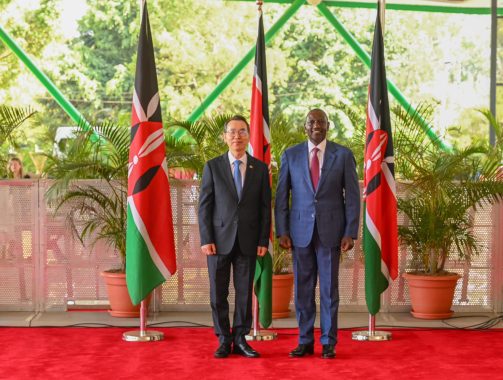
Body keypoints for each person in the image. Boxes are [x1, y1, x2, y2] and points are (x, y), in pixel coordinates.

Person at [275, 108, 360, 359]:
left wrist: (350, 232)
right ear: (305, 126)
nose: (316, 126)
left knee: (329, 291)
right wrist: (282, 230)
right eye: (311, 122)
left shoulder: (343, 155)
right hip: (299, 233)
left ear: (328, 125)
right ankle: (304, 341)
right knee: (303, 290)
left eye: (321, 122)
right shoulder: (290, 155)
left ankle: (328, 342)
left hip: (332, 233)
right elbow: (282, 197)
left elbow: (352, 198)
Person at [198, 115, 271, 359]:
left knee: (243, 293)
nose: (237, 136)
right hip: (217, 241)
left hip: (249, 241)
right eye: (232, 132)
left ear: (249, 135)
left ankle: (240, 338)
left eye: (242, 132)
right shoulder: (213, 166)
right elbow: (205, 206)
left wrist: (263, 240)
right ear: (225, 137)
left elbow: (264, 208)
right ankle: (223, 339)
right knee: (218, 293)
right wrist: (206, 238)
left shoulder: (259, 169)